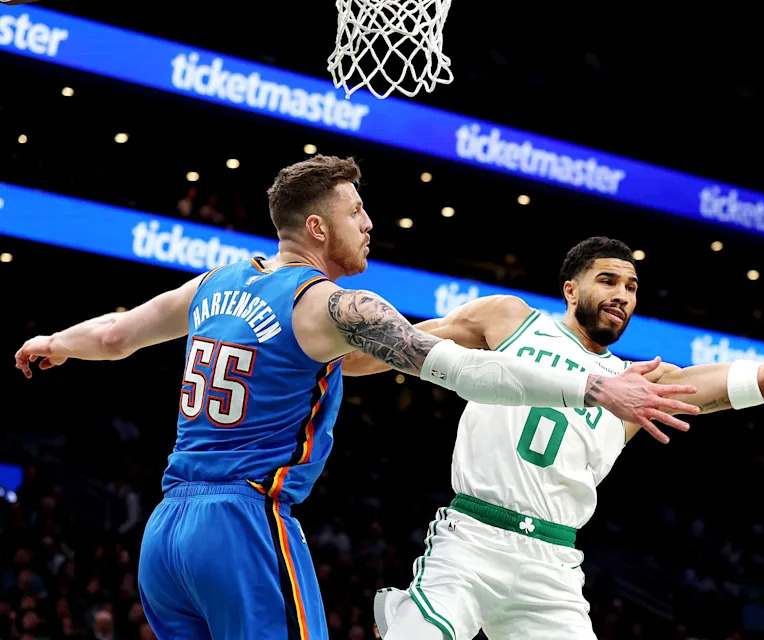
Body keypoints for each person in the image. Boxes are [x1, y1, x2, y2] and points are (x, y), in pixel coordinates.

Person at [12, 157, 703, 640]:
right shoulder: (338, 305)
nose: (369, 221)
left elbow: (114, 335)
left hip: (165, 533)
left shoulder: (213, 284)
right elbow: (463, 371)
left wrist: (54, 339)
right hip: (245, 520)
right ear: (317, 227)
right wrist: (589, 381)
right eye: (356, 209)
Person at [341, 235, 764, 640]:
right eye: (608, 280)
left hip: (552, 563)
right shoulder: (509, 319)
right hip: (473, 538)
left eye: (633, 285)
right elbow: (401, 349)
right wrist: (323, 357)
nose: (622, 293)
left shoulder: (641, 384)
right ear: (571, 289)